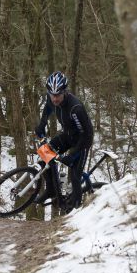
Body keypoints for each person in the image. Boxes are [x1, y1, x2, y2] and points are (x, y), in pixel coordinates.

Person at [34, 71, 93, 209]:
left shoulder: (75, 108)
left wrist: (73, 155)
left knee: (74, 177)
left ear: (64, 92)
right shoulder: (51, 99)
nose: (55, 99)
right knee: (44, 153)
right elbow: (47, 110)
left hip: (82, 141)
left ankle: (76, 210)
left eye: (58, 95)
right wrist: (42, 125)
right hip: (67, 135)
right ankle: (51, 190)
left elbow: (87, 135)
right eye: (52, 95)